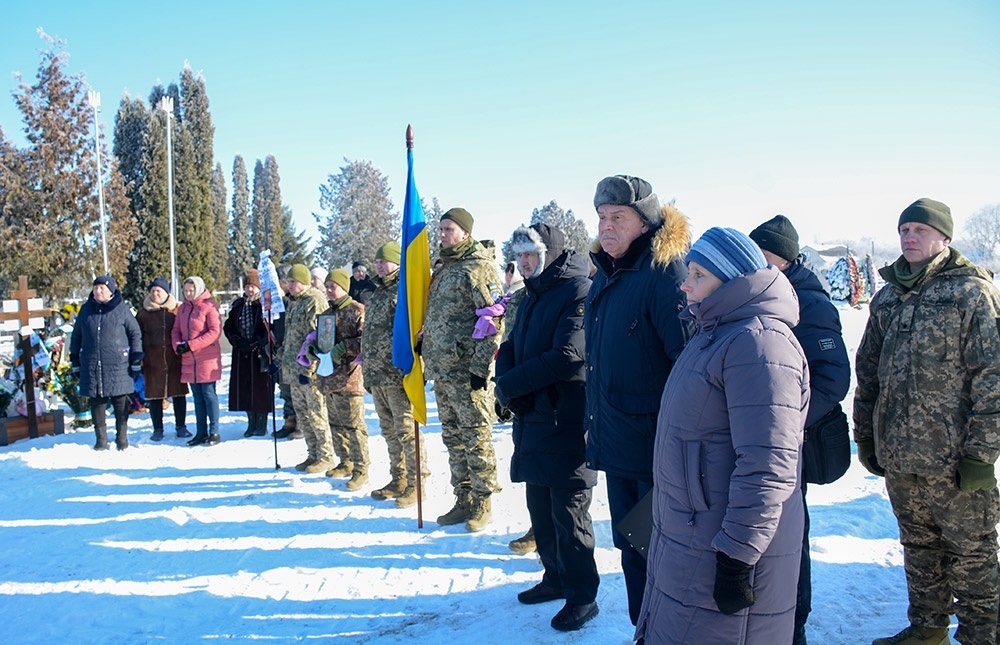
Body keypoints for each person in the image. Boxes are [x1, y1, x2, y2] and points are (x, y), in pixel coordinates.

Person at [636, 227, 809, 644]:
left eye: (698, 274)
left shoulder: (760, 344)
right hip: (692, 532)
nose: (685, 283)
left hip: (722, 543)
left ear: (730, 279)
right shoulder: (716, 332)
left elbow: (768, 464)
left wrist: (737, 556)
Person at [854, 198, 1000, 645]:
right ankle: (928, 627)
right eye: (904, 230)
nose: (909, 237)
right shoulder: (889, 296)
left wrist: (981, 454)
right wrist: (867, 437)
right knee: (919, 548)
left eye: (919, 229)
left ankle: (983, 636)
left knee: (972, 553)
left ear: (944, 238)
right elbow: (869, 373)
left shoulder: (970, 292)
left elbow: (992, 377)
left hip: (954, 459)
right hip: (901, 455)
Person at [585, 175, 689, 625]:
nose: (606, 226)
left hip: (656, 454)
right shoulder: (606, 276)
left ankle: (665, 632)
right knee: (631, 549)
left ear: (645, 223)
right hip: (618, 446)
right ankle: (642, 631)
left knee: (660, 556)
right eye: (602, 217)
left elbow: (688, 368)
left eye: (618, 217)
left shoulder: (666, 275)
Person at [749, 214, 851, 645]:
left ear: (785, 258)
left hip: (791, 446)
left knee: (789, 540)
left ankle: (794, 625)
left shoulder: (810, 303)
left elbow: (832, 380)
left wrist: (783, 423)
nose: (756, 264)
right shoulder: (760, 295)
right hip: (759, 442)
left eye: (765, 256)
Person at [495, 223, 601, 632]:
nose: (524, 263)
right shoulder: (529, 295)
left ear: (551, 254)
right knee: (539, 510)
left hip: (565, 419)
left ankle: (582, 595)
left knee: (568, 513)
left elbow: (569, 355)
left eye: (531, 255)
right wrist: (507, 386)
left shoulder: (578, 291)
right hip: (534, 418)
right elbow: (508, 347)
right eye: (519, 256)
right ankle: (554, 577)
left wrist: (514, 384)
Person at [423, 207, 504, 532]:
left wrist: (480, 367)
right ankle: (463, 498)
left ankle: (483, 501)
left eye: (449, 229)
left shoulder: (479, 269)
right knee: (453, 438)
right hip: (443, 372)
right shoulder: (444, 269)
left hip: (467, 372)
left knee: (475, 437)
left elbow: (493, 318)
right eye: (441, 229)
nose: (443, 235)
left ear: (465, 233)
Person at [362, 241, 430, 508]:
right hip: (377, 374)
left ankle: (417, 483)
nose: (379, 265)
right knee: (389, 431)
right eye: (377, 261)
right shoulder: (378, 292)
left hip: (397, 374)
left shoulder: (404, 291)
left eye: (384, 261)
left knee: (405, 431)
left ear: (397, 263)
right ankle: (399, 478)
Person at [70, 275, 143, 451]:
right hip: (92, 364)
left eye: (102, 287)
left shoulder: (121, 309)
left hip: (118, 364)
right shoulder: (86, 310)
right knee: (97, 402)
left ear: (111, 290)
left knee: (120, 402)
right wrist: (74, 359)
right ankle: (101, 440)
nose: (98, 291)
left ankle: (122, 438)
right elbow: (76, 336)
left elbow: (135, 334)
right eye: (96, 287)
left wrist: (136, 359)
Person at [317, 268, 370, 490]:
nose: (329, 290)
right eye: (327, 286)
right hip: (329, 376)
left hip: (350, 378)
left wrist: (344, 348)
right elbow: (319, 338)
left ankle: (361, 467)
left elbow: (366, 341)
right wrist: (314, 348)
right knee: (336, 423)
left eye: (333, 286)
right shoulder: (327, 313)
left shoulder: (357, 310)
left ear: (344, 288)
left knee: (353, 426)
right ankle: (345, 461)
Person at [280, 264, 331, 473]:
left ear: (304, 281)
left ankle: (326, 455)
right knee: (302, 414)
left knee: (316, 412)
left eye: (293, 282)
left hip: (309, 371)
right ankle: (313, 453)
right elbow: (291, 335)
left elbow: (318, 337)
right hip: (293, 370)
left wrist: (310, 369)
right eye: (288, 282)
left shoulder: (314, 300)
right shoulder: (294, 303)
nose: (289, 286)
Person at [135, 277, 190, 442]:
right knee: (155, 395)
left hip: (175, 359)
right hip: (153, 360)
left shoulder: (177, 309)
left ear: (166, 293)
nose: (155, 294)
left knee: (179, 393)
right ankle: (157, 428)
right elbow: (137, 336)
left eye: (158, 291)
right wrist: (140, 356)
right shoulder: (144, 313)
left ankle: (181, 426)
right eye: (152, 291)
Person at [172, 276, 223, 447]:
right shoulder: (183, 309)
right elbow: (176, 330)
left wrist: (191, 345)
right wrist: (177, 345)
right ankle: (201, 432)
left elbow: (214, 331)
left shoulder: (209, 307)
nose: (188, 294)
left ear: (199, 289)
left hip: (206, 358)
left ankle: (214, 431)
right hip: (189, 359)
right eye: (186, 290)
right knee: (197, 397)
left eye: (191, 290)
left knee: (209, 395)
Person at [223, 270, 273, 438]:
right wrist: (237, 341)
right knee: (244, 388)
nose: (249, 290)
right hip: (242, 353)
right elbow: (228, 327)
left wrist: (257, 342)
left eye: (252, 286)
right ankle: (251, 422)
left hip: (259, 353)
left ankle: (261, 423)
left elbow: (269, 327)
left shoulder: (264, 304)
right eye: (247, 286)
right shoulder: (238, 305)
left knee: (261, 388)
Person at [272, 264, 299, 440]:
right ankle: (289, 421)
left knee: (297, 390)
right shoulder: (277, 302)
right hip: (280, 350)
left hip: (295, 352)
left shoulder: (294, 302)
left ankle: (300, 423)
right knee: (285, 389)